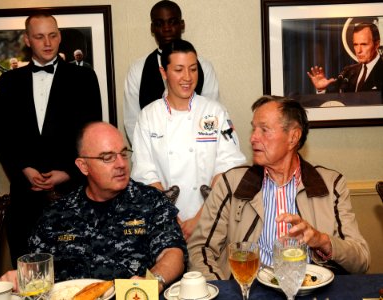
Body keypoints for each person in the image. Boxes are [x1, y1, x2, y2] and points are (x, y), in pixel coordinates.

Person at [187, 95, 371, 280]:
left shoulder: (331, 185)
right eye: (254, 129)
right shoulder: (232, 184)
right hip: (251, 291)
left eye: (264, 130)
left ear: (293, 137)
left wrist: (321, 241)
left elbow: (361, 260)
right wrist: (225, 292)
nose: (253, 138)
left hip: (309, 289)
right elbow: (200, 249)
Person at [0, 122, 187, 293]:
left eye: (123, 154)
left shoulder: (150, 201)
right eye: (107, 157)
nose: (121, 164)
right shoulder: (57, 214)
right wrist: (19, 277)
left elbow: (173, 253)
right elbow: (36, 270)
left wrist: (153, 281)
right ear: (83, 166)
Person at [0, 13, 102, 267]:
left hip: (73, 196)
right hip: (25, 200)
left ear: (60, 36)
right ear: (27, 40)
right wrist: (24, 169)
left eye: (53, 35)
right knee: (29, 279)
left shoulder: (84, 78)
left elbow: (91, 134)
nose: (47, 42)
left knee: (77, 275)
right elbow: (2, 135)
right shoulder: (9, 82)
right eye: (39, 36)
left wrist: (67, 172)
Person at [131, 39, 246, 241]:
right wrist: (170, 216)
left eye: (193, 69)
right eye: (179, 70)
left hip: (212, 218)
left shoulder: (214, 111)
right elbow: (144, 173)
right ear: (163, 72)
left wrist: (200, 217)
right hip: (163, 221)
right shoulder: (148, 116)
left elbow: (228, 167)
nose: (187, 77)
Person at [123, 0, 220, 143]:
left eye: (172, 22)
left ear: (182, 25)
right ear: (152, 28)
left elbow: (211, 114)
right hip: (152, 157)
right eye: (159, 23)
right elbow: (132, 122)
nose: (166, 28)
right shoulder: (137, 69)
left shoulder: (204, 67)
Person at [307, 22, 383, 93]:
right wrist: (321, 89)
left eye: (364, 44)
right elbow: (338, 101)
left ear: (377, 44)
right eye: (355, 44)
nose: (359, 50)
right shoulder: (348, 71)